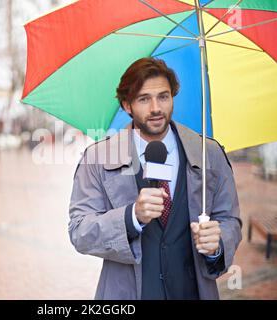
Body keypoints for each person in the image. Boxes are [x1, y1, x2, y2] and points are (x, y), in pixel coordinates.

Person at [68, 57, 242, 300]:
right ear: (127, 105)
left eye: (163, 96)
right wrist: (131, 217)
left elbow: (229, 218)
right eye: (143, 99)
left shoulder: (208, 153)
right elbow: (80, 231)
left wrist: (217, 245)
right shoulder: (97, 158)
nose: (155, 108)